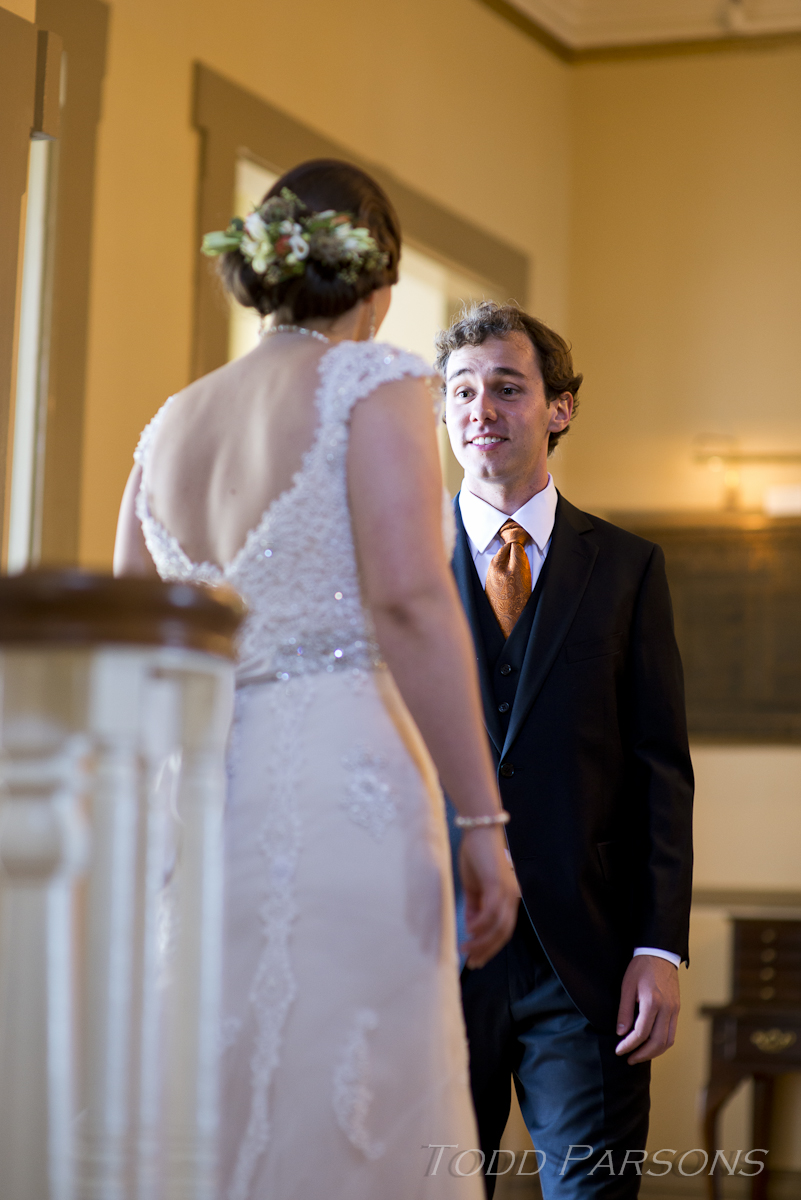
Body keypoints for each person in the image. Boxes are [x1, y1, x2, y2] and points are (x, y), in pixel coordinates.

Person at [113, 161, 518, 1199]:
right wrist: (482, 819)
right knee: (350, 1097)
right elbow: (412, 603)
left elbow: (133, 643)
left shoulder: (166, 428)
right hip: (343, 784)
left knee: (215, 1087)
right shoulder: (372, 384)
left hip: (204, 803)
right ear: (375, 282)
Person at [437, 302, 694, 1199]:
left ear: (559, 408)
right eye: (461, 391)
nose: (481, 409)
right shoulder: (393, 567)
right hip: (433, 955)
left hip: (585, 967)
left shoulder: (627, 568)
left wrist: (659, 948)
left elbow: (660, 770)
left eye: (507, 388)